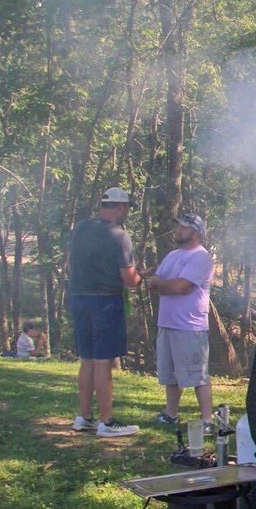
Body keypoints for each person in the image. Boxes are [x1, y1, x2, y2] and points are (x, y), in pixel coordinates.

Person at [66, 186, 141, 438]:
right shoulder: (119, 236)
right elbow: (129, 279)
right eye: (126, 208)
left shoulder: (81, 228)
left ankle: (85, 417)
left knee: (86, 359)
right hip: (105, 302)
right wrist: (141, 277)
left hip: (78, 298)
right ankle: (106, 422)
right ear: (120, 207)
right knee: (102, 362)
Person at [144, 213, 216, 433]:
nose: (177, 231)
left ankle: (207, 421)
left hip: (190, 326)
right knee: (170, 374)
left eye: (182, 228)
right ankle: (171, 414)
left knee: (198, 375)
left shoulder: (201, 258)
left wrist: (158, 283)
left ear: (195, 232)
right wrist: (152, 280)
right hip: (167, 323)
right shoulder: (173, 255)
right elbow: (155, 280)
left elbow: (181, 287)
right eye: (177, 227)